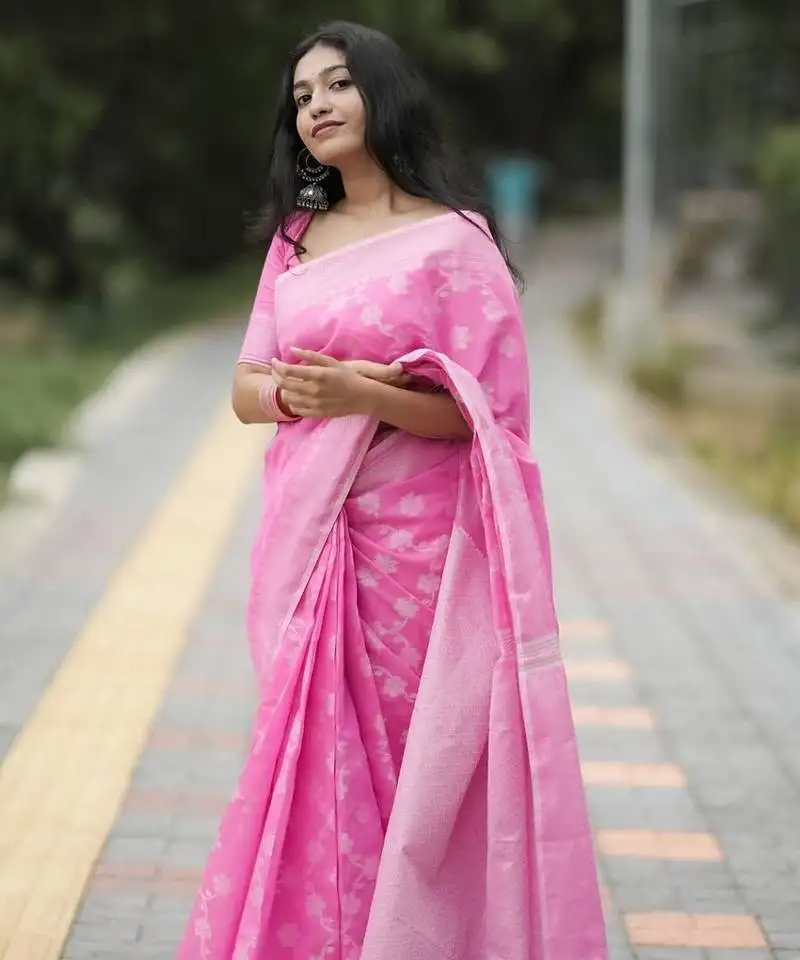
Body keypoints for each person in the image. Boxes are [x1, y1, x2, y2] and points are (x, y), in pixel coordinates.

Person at [178, 20, 606, 960]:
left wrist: (364, 394)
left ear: (384, 95)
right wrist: (300, 394)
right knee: (322, 767)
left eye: (336, 85)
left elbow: (488, 413)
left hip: (424, 563)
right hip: (314, 549)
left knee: (423, 772)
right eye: (301, 96)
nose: (318, 106)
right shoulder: (295, 240)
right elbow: (247, 387)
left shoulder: (456, 242)